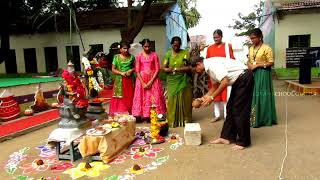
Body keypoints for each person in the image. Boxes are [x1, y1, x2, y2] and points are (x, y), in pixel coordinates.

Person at [191, 57, 254, 150]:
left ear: (198, 64)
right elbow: (215, 87)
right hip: (238, 81)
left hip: (244, 78)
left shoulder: (212, 65)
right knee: (230, 108)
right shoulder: (208, 69)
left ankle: (243, 142)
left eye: (195, 69)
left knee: (239, 110)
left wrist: (212, 98)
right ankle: (226, 137)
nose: (196, 72)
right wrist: (203, 98)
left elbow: (224, 82)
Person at [247, 28, 277, 128]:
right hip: (252, 74)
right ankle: (254, 119)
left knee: (262, 96)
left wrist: (258, 65)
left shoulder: (267, 48)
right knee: (252, 96)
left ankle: (264, 119)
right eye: (251, 38)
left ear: (260, 37)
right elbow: (249, 60)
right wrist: (249, 65)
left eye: (254, 38)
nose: (252, 40)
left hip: (263, 74)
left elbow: (271, 62)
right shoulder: (251, 48)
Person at [132, 39, 166, 122]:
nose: (147, 48)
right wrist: (143, 83)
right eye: (145, 46)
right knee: (142, 97)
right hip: (141, 80)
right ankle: (143, 115)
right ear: (142, 46)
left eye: (148, 46)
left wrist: (151, 81)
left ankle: (155, 115)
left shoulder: (154, 55)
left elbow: (157, 69)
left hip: (153, 80)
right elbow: (137, 70)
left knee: (154, 97)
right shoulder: (139, 56)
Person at [163, 36, 193, 127]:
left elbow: (190, 67)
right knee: (171, 100)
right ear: (171, 44)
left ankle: (185, 120)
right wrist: (167, 69)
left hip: (183, 79)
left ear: (180, 45)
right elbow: (164, 67)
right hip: (172, 80)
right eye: (174, 45)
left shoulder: (185, 53)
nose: (176, 47)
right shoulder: (168, 54)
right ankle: (172, 121)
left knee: (185, 100)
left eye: (178, 45)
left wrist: (177, 69)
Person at [206, 29, 235, 123]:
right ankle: (217, 115)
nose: (215, 39)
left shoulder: (227, 46)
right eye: (214, 37)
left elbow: (232, 59)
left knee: (225, 96)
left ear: (221, 36)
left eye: (217, 37)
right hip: (214, 75)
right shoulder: (210, 48)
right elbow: (207, 61)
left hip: (224, 74)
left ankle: (227, 116)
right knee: (216, 96)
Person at [109, 41, 135, 115]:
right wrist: (121, 73)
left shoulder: (132, 57)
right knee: (120, 96)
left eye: (127, 48)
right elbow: (113, 69)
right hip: (119, 80)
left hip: (129, 80)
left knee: (130, 95)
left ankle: (130, 112)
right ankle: (120, 113)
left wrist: (131, 70)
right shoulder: (116, 57)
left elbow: (136, 67)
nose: (126, 50)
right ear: (120, 49)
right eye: (124, 48)